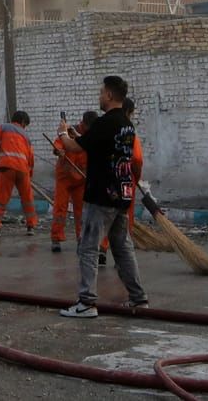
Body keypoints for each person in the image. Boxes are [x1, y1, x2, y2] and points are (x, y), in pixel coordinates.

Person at [62, 75, 147, 318]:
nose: (99, 97)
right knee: (123, 249)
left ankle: (86, 303)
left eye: (101, 93)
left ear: (109, 95)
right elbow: (92, 144)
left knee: (88, 247)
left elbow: (74, 147)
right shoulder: (127, 125)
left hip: (101, 196)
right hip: (122, 195)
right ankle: (138, 299)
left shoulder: (104, 122)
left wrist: (62, 135)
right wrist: (74, 136)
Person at [0, 110, 38, 235]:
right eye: (25, 124)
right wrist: (29, 175)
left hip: (7, 168)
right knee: (27, 198)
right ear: (22, 122)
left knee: (1, 198)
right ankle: (31, 226)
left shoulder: (3, 127)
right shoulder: (26, 136)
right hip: (23, 170)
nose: (25, 127)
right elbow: (31, 158)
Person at [50, 112, 95, 253]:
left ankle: (81, 239)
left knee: (81, 211)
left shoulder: (90, 136)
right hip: (64, 177)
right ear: (84, 124)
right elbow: (57, 145)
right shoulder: (69, 132)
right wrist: (59, 151)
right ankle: (56, 238)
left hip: (80, 179)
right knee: (60, 208)